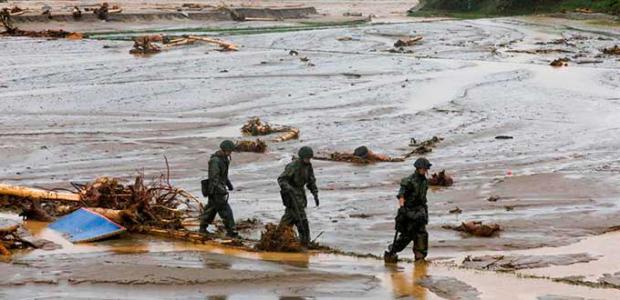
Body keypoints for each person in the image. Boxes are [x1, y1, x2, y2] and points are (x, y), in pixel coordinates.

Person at [384, 157, 432, 262]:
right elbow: (401, 195)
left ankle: (420, 257)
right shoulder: (409, 181)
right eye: (423, 168)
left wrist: (424, 211)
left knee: (422, 234)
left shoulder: (424, 181)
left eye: (426, 169)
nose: (425, 171)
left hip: (420, 211)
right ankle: (392, 250)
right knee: (407, 235)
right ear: (418, 168)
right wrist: (402, 208)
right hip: (409, 211)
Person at [278, 146, 319, 246]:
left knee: (290, 217)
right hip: (291, 194)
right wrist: (288, 187)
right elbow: (281, 179)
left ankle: (279, 235)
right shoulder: (293, 166)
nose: (308, 160)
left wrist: (315, 193)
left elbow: (311, 180)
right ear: (301, 157)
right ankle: (305, 241)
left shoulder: (308, 166)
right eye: (306, 158)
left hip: (300, 194)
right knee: (300, 218)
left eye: (309, 158)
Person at [199, 140, 238, 238]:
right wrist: (221, 190)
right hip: (215, 190)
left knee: (211, 209)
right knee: (225, 210)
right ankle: (231, 231)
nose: (230, 153)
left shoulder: (224, 159)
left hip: (218, 188)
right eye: (229, 151)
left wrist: (229, 185)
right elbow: (214, 178)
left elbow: (223, 175)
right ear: (224, 150)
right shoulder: (215, 161)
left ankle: (202, 228)